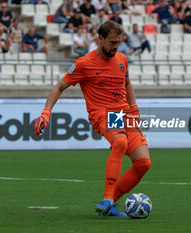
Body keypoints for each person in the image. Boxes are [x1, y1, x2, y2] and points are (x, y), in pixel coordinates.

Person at [33, 21, 151, 217]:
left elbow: (127, 84)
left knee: (143, 163)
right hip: (103, 114)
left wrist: (134, 109)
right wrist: (46, 112)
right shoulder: (84, 64)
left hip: (125, 115)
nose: (116, 47)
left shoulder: (122, 59)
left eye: (119, 42)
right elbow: (59, 87)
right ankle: (107, 198)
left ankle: (111, 204)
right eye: (112, 42)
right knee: (120, 142)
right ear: (100, 38)